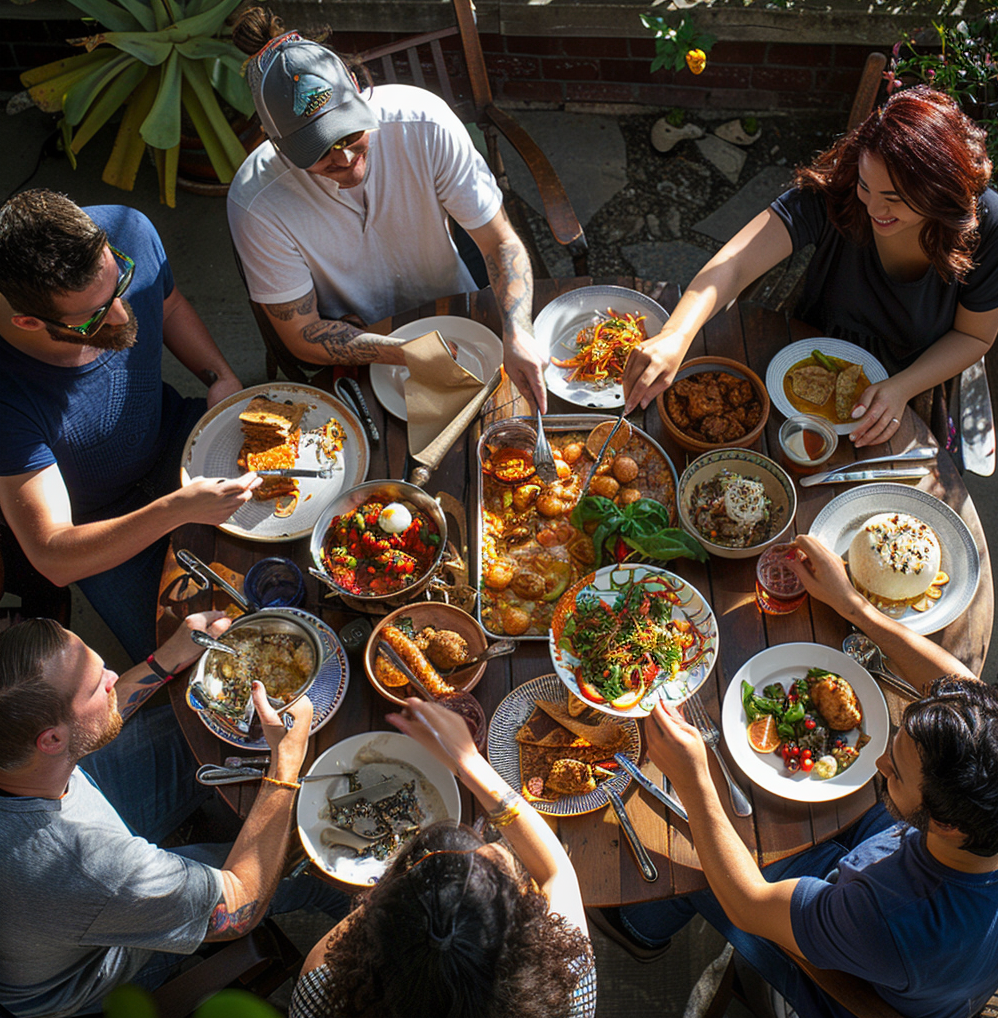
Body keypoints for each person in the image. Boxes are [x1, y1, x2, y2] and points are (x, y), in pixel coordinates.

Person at [590, 534, 998, 1018]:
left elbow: (749, 902)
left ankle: (639, 929)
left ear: (945, 822)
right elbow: (966, 696)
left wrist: (694, 783)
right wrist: (853, 605)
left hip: (846, 972)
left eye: (894, 772)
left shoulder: (886, 917)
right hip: (901, 895)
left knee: (695, 860)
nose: (880, 761)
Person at [622, 87, 998, 448]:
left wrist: (901, 388)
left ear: (943, 191)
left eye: (896, 199)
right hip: (801, 359)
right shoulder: (841, 188)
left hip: (912, 375)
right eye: (867, 186)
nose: (874, 210)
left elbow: (974, 337)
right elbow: (735, 263)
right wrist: (676, 334)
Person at [0, 611, 347, 1018]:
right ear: (52, 740)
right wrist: (285, 765)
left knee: (191, 731)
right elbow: (239, 908)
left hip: (69, 859)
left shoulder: (20, 749)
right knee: (309, 855)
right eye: (99, 684)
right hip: (100, 966)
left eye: (101, 666)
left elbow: (82, 725)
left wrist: (164, 660)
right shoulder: (91, 865)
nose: (113, 677)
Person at [227, 9, 548, 411]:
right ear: (276, 145)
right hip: (359, 348)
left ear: (361, 92)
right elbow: (301, 335)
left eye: (350, 133)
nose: (344, 159)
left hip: (460, 311)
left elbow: (500, 243)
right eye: (318, 150)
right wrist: (406, 352)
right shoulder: (256, 202)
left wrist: (518, 332)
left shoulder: (425, 123)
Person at [0, 189, 261, 663]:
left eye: (120, 283)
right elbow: (53, 555)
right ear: (28, 320)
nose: (123, 314)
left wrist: (219, 377)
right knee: (208, 662)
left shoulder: (130, 233)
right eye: (95, 316)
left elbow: (171, 305)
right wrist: (176, 509)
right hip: (103, 527)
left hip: (178, 440)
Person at [289, 698, 595, 1018]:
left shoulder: (320, 992)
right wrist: (470, 762)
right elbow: (556, 871)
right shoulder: (569, 989)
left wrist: (468, 764)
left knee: (307, 887)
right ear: (522, 936)